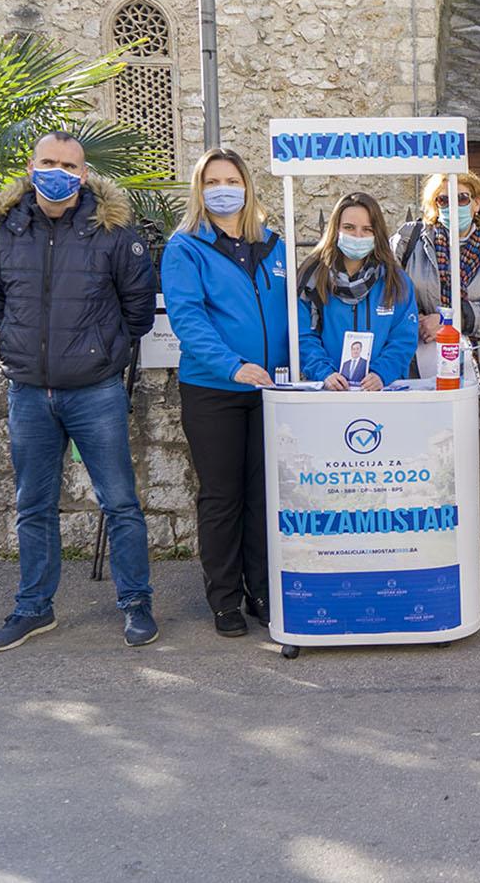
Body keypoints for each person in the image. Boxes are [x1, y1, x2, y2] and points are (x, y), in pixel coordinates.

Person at [0, 132, 157, 651]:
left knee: (119, 502)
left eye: (68, 165)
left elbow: (138, 306)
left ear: (83, 173)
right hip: (29, 391)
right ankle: (33, 608)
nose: (58, 172)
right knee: (32, 504)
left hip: (95, 388)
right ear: (31, 167)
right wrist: (24, 341)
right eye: (48, 162)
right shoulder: (3, 230)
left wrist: (101, 348)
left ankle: (136, 603)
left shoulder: (113, 231)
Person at [161, 148, 289, 638]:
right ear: (199, 189)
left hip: (271, 390)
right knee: (221, 497)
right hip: (214, 389)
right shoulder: (185, 247)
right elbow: (188, 319)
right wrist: (233, 367)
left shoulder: (273, 245)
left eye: (231, 178)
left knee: (263, 496)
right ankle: (223, 599)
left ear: (246, 185)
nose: (222, 188)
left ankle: (262, 590)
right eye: (212, 180)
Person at [394, 172, 480, 426]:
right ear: (434, 206)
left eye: (461, 198)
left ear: (477, 204)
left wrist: (446, 321)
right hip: (416, 361)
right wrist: (416, 321)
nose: (453, 205)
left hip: (475, 366)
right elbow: (387, 292)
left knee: (469, 452)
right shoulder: (410, 241)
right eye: (443, 200)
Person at [297, 192, 416, 391]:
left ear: (376, 234)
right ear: (336, 229)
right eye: (349, 228)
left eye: (367, 229)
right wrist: (324, 373)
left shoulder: (396, 281)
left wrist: (381, 374)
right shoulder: (312, 278)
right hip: (329, 392)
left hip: (383, 392)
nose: (357, 236)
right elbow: (303, 336)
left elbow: (403, 338)